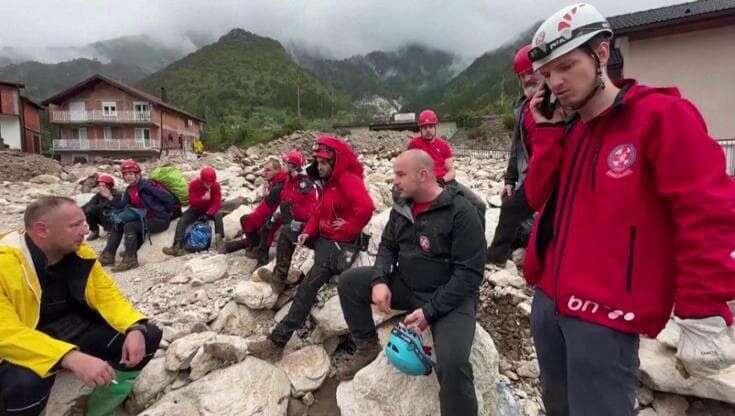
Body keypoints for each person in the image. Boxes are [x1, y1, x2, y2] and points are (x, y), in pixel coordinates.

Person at [523, 4, 735, 415]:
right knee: (557, 407)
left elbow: (705, 212)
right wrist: (547, 134)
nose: (556, 83)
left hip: (606, 315)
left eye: (566, 66)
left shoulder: (661, 116)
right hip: (550, 301)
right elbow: (535, 199)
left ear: (601, 54)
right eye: (547, 74)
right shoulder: (573, 130)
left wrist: (703, 308)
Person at [337, 149, 485, 415]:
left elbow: (469, 275)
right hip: (407, 285)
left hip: (451, 298)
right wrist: (380, 279)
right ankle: (366, 345)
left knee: (453, 364)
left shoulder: (461, 213)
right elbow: (387, 247)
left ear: (424, 175)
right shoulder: (402, 208)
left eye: (400, 174)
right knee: (349, 282)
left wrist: (430, 311)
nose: (394, 180)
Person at [0, 196, 162, 416]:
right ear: (41, 230)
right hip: (26, 341)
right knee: (25, 383)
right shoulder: (6, 263)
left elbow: (107, 294)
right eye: (75, 225)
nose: (85, 231)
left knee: (147, 335)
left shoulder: (78, 252)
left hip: (69, 328)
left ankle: (101, 410)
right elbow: (6, 333)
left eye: (84, 223)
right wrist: (69, 357)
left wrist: (134, 326)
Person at [249, 135, 374, 360]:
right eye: (318, 162)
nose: (320, 167)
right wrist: (307, 230)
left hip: (339, 244)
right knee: (288, 232)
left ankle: (278, 341)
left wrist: (347, 228)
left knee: (308, 286)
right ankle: (280, 276)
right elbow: (318, 211)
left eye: (325, 162)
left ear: (336, 162)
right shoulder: (328, 182)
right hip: (324, 236)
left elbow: (366, 208)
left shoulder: (347, 179)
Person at [486, 44, 541, 265]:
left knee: (514, 211)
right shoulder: (523, 109)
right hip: (531, 178)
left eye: (531, 72)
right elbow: (516, 148)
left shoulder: (560, 103)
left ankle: (497, 256)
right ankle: (501, 255)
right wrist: (510, 179)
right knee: (510, 207)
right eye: (522, 75)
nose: (527, 78)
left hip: (552, 178)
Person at [408, 109, 486, 227]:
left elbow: (451, 171)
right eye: (424, 127)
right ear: (420, 129)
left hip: (447, 182)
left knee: (479, 204)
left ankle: (478, 238)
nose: (428, 130)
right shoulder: (414, 145)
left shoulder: (443, 145)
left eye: (430, 126)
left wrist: (442, 180)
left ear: (435, 127)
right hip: (427, 186)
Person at [99, 159, 176, 272]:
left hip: (159, 219)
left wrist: (164, 213)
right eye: (125, 174)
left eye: (131, 173)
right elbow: (122, 205)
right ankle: (108, 256)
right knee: (118, 223)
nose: (128, 176)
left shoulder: (147, 186)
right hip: (146, 218)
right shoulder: (130, 190)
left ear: (137, 174)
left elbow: (169, 199)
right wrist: (109, 197)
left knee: (130, 226)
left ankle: (130, 260)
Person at [257, 150, 319, 285]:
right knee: (268, 226)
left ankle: (279, 274)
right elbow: (285, 199)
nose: (282, 166)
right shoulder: (290, 180)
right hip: (294, 216)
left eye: (285, 163)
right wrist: (273, 218)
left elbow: (299, 202)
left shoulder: (304, 182)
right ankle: (277, 272)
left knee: (285, 231)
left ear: (292, 166)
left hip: (306, 221)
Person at [223, 158, 289, 265]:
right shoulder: (276, 181)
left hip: (277, 216)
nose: (264, 173)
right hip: (276, 213)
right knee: (257, 226)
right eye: (264, 170)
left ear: (277, 170)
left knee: (247, 221)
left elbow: (265, 208)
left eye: (268, 170)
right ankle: (250, 246)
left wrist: (254, 215)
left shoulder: (278, 186)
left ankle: (259, 255)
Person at [163, 166, 225, 256]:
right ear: (202, 179)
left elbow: (216, 203)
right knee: (182, 220)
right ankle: (176, 245)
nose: (209, 185)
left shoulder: (215, 186)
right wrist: (203, 199)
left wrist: (208, 214)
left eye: (211, 182)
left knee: (218, 215)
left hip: (210, 209)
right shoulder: (194, 184)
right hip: (196, 208)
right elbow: (192, 201)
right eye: (207, 183)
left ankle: (219, 242)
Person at [82, 174, 123, 241]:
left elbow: (109, 206)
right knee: (88, 211)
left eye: (103, 185)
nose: (101, 187)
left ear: (109, 186)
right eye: (99, 185)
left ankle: (111, 231)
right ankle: (94, 231)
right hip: (104, 219)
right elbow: (89, 204)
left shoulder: (117, 194)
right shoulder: (99, 195)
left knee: (103, 211)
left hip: (116, 219)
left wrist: (94, 207)